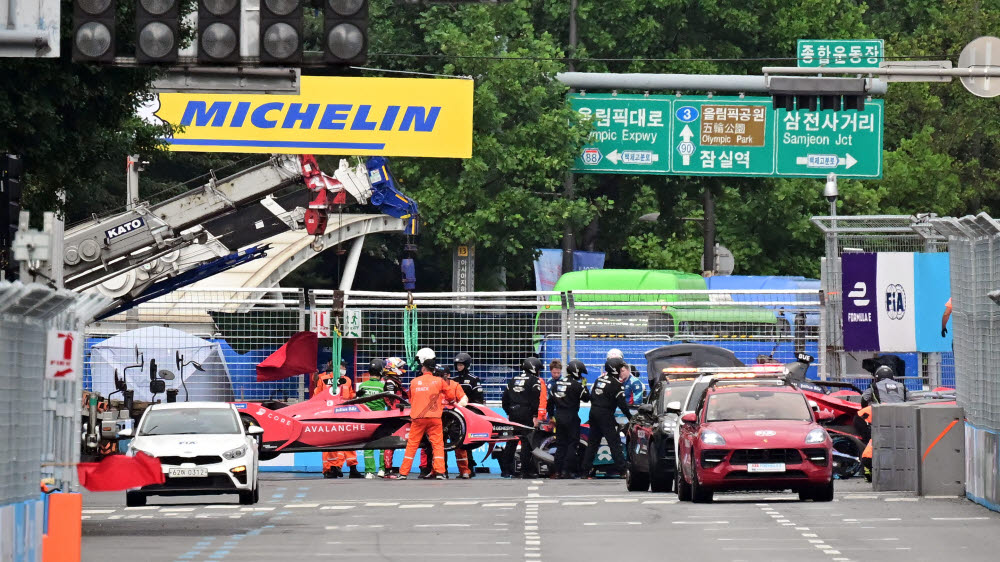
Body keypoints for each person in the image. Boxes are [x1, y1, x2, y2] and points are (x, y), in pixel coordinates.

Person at [391, 348, 467, 480]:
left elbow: (410, 399)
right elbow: (450, 396)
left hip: (418, 418)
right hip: (435, 418)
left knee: (412, 446)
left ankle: (403, 473)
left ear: (423, 368)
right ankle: (440, 472)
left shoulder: (414, 382)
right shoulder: (439, 381)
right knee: (438, 445)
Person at [581, 357, 632, 478]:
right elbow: (622, 404)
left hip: (593, 412)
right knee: (614, 442)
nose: (621, 370)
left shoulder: (599, 379)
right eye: (619, 368)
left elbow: (592, 396)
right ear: (615, 369)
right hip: (605, 414)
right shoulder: (616, 384)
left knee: (592, 443)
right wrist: (630, 417)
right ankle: (623, 470)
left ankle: (584, 471)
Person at [500, 357, 548, 478]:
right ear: (533, 368)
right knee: (526, 442)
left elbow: (504, 399)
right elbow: (535, 400)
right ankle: (525, 471)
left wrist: (509, 411)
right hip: (526, 414)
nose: (538, 372)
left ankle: (506, 470)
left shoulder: (513, 379)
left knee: (511, 442)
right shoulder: (534, 380)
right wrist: (534, 416)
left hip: (513, 413)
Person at [547, 359, 590, 479]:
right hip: (571, 417)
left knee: (561, 445)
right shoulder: (576, 385)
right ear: (576, 372)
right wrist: (584, 386)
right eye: (580, 373)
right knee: (572, 444)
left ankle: (557, 471)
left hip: (559, 417)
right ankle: (566, 470)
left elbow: (549, 403)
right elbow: (587, 398)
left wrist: (551, 417)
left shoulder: (557, 384)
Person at [328, 361, 363, 479]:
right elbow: (318, 396)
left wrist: (357, 394)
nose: (344, 369)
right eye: (343, 367)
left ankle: (352, 468)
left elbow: (350, 395)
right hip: (330, 414)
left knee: (350, 440)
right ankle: (332, 468)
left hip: (346, 413)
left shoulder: (347, 380)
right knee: (332, 442)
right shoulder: (324, 379)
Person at [451, 353, 483, 477]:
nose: (459, 367)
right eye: (457, 365)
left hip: (469, 414)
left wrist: (475, 413)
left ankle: (469, 467)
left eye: (461, 365)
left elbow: (479, 399)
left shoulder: (474, 379)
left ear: (466, 365)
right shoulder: (453, 380)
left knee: (468, 441)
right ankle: (464, 469)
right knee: (458, 441)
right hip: (456, 415)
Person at [357, 359, 387, 479]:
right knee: (383, 446)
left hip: (366, 419)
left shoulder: (363, 385)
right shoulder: (382, 386)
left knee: (368, 446)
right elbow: (388, 402)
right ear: (381, 371)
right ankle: (382, 470)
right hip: (380, 419)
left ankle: (369, 471)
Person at [379, 357, 408, 477]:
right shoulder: (390, 383)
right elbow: (390, 399)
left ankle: (389, 468)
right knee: (390, 444)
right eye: (400, 367)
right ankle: (387, 470)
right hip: (393, 415)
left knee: (393, 445)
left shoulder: (395, 382)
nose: (402, 369)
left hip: (398, 415)